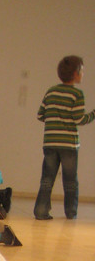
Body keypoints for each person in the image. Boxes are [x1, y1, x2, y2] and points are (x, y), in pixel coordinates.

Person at [34, 55, 95, 220]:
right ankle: (70, 212)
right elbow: (79, 119)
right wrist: (93, 114)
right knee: (70, 181)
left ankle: (40, 211)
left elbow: (40, 115)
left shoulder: (51, 91)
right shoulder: (77, 94)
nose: (83, 74)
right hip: (69, 144)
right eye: (82, 71)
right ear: (75, 73)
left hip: (50, 142)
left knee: (47, 179)